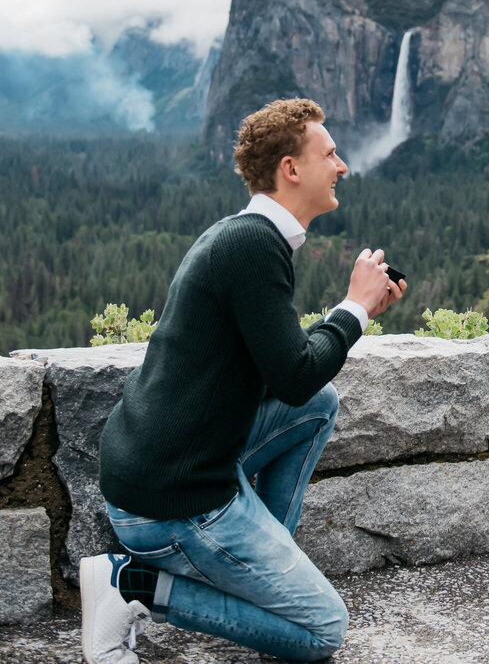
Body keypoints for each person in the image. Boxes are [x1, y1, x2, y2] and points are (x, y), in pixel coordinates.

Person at [80, 97, 406, 664]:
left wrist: (357, 311)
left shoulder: (244, 235)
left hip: (164, 465)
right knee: (321, 630)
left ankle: (263, 577)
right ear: (291, 168)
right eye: (330, 153)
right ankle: (132, 587)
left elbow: (289, 375)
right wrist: (353, 308)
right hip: (172, 501)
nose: (343, 166)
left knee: (319, 406)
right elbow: (294, 372)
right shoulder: (254, 245)